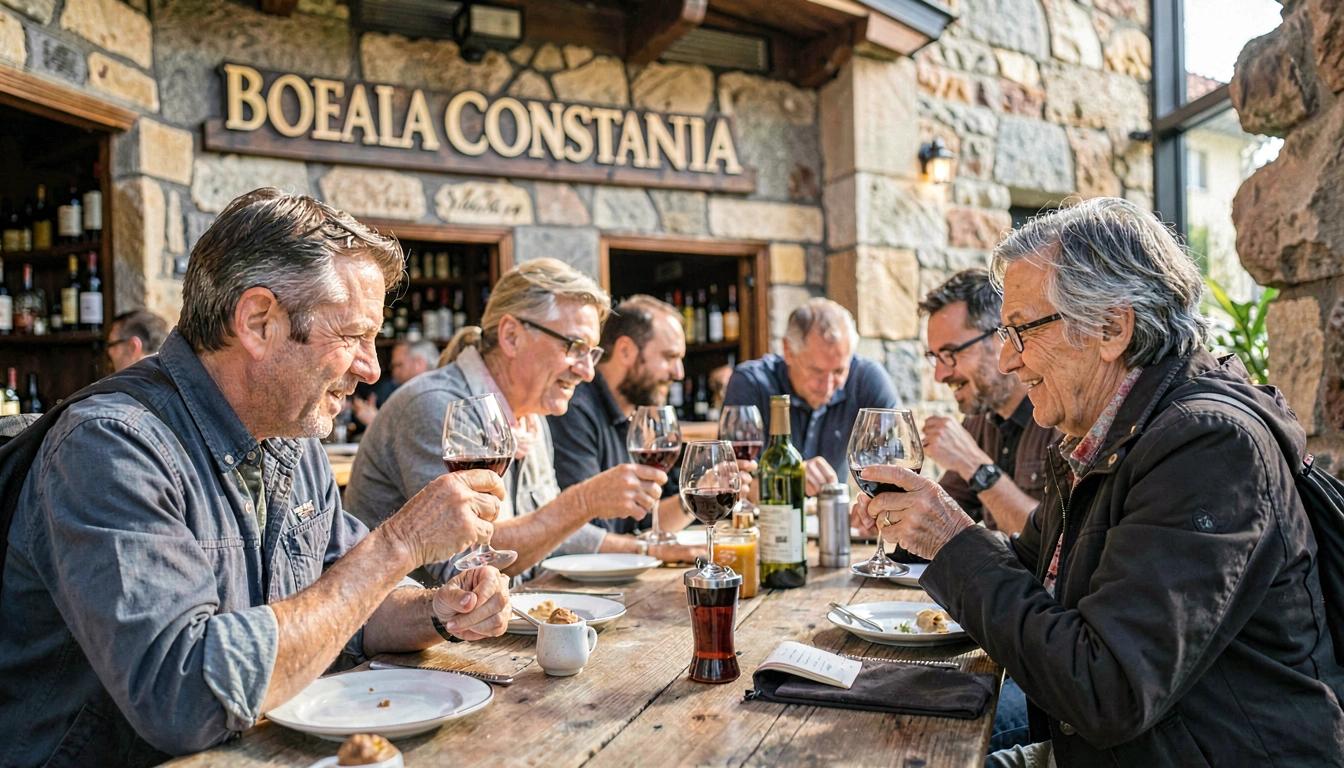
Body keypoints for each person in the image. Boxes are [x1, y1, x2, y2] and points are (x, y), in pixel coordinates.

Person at [0, 189, 513, 767]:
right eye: (352, 336)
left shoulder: (291, 434)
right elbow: (184, 695)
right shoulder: (109, 446)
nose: (371, 366)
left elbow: (346, 605)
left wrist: (437, 610)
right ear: (258, 322)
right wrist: (400, 544)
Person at [854, 198, 1344, 767]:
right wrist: (934, 533)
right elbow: (1030, 571)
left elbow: (1105, 689)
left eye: (1019, 331)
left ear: (1112, 328)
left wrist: (952, 541)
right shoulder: (1102, 434)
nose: (1008, 361)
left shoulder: (1208, 448)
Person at [344, 259, 677, 582]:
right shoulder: (435, 407)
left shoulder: (531, 418)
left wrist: (651, 549)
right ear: (512, 336)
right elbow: (463, 567)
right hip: (411, 634)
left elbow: (549, 535)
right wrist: (582, 502)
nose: (587, 371)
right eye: (574, 346)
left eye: (591, 353)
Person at [548, 295, 749, 555]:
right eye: (669, 357)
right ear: (625, 351)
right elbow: (584, 533)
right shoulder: (573, 410)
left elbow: (645, 521)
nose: (679, 373)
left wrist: (701, 494)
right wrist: (652, 551)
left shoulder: (644, 416)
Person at [917, 269, 1058, 537]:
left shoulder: (1062, 417)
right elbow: (938, 523)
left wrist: (974, 464)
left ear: (1001, 339)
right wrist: (891, 508)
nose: (940, 374)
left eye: (951, 353)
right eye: (935, 357)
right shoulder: (981, 419)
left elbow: (1056, 546)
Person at [724, 297, 900, 494]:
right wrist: (789, 480)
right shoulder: (751, 382)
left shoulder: (867, 379)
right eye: (816, 372)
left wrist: (870, 505)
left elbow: (895, 466)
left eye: (839, 371)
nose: (827, 386)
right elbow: (734, 484)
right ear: (788, 351)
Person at [350, 339, 438, 428]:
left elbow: (416, 436)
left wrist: (376, 421)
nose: (394, 371)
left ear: (419, 363)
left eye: (399, 365)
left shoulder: (430, 396)